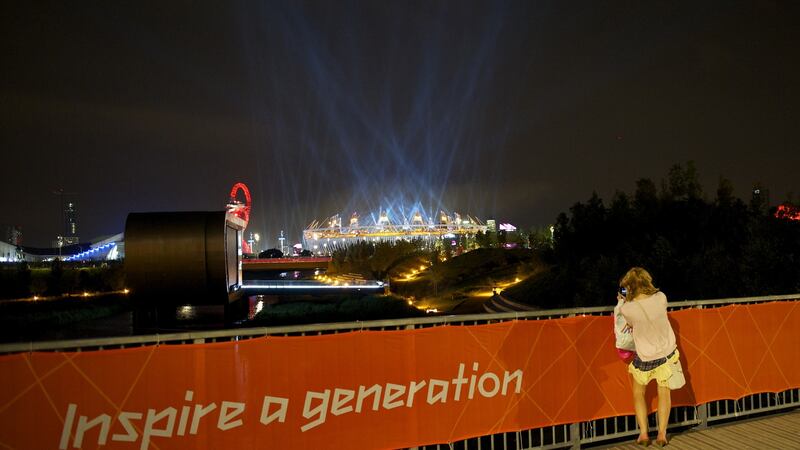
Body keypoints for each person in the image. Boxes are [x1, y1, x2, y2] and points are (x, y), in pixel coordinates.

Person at [618, 267, 683, 447]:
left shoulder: (627, 309)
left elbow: (630, 323)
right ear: (647, 281)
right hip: (666, 355)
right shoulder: (661, 297)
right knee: (664, 393)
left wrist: (623, 301)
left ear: (629, 286)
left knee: (638, 393)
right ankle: (662, 435)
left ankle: (644, 434)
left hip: (644, 357)